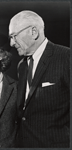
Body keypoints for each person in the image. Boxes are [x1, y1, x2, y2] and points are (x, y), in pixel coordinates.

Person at [9, 10, 70, 148]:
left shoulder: (66, 58)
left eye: (14, 36)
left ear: (34, 32)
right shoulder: (22, 66)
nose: (12, 43)